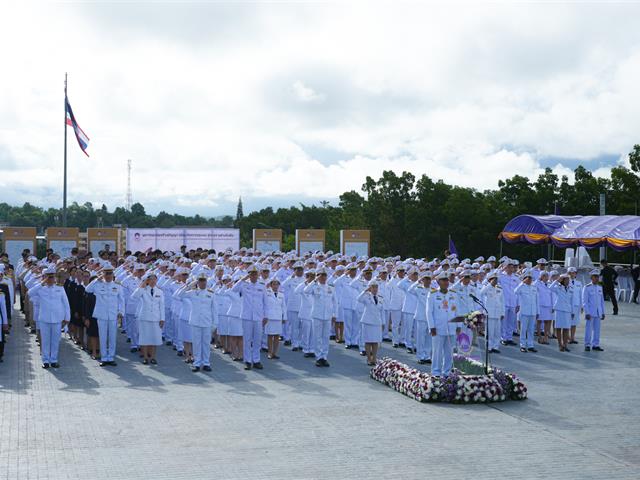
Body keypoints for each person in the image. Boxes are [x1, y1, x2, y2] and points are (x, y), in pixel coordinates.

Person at [29, 266, 71, 368]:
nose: (51, 279)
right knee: (45, 340)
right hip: (44, 319)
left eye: (52, 277)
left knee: (55, 340)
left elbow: (66, 304)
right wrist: (41, 283)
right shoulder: (40, 288)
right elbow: (30, 293)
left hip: (57, 319)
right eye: (49, 277)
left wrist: (67, 318)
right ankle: (45, 361)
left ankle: (54, 360)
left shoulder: (60, 288)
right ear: (45, 277)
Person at [85, 265, 125, 366]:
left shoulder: (117, 285)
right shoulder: (98, 284)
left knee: (112, 337)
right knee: (102, 337)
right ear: (103, 274)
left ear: (113, 274)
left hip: (113, 315)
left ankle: (111, 357)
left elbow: (121, 300)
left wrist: (121, 312)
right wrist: (96, 280)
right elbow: (87, 289)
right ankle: (104, 357)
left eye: (110, 274)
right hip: (101, 315)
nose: (108, 276)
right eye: (106, 274)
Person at [176, 272, 216, 371]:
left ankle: (206, 363)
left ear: (206, 282)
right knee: (196, 343)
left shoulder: (211, 293)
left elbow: (214, 310)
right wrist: (189, 285)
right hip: (195, 322)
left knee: (206, 344)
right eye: (200, 280)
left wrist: (215, 323)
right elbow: (179, 295)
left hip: (207, 322)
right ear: (197, 282)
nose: (202, 283)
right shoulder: (193, 292)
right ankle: (197, 363)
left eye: (204, 281)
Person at [231, 264, 268, 370]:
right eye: (252, 274)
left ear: (258, 275)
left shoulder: (262, 285)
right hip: (247, 316)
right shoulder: (244, 285)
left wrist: (266, 316)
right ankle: (247, 360)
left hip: (258, 317)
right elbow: (234, 289)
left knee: (257, 339)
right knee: (247, 339)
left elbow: (266, 302)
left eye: (255, 274)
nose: (254, 276)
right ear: (249, 275)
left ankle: (256, 360)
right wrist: (243, 279)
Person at [427, 272, 461, 377]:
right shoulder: (432, 294)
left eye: (447, 280)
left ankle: (447, 372)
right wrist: (431, 327)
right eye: (443, 280)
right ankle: (436, 372)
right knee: (437, 351)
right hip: (438, 327)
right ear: (438, 282)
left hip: (451, 327)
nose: (446, 282)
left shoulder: (453, 294)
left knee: (449, 352)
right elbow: (429, 312)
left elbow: (457, 311)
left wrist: (459, 325)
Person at [304, 267, 337, 367]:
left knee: (326, 338)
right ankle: (318, 357)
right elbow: (306, 290)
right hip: (317, 315)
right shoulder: (314, 286)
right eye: (321, 275)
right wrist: (314, 281)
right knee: (317, 337)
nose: (323, 277)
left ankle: (324, 357)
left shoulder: (330, 287)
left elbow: (335, 302)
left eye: (324, 275)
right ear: (318, 276)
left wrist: (335, 315)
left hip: (327, 315)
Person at [132, 273, 165, 365]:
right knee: (144, 338)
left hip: (156, 318)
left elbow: (162, 306)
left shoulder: (160, 291)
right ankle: (146, 357)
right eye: (151, 279)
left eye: (155, 279)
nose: (153, 281)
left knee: (155, 338)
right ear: (147, 280)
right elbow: (134, 296)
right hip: (144, 317)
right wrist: (143, 284)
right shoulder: (143, 289)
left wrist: (162, 318)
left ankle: (153, 357)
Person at [357, 279, 384, 366]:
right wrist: (365, 291)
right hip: (367, 321)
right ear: (370, 288)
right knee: (368, 341)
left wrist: (383, 323)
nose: (375, 289)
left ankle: (374, 358)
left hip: (376, 322)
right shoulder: (366, 296)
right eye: (373, 287)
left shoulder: (380, 298)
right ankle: (369, 358)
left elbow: (382, 311)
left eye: (376, 287)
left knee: (375, 341)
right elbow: (358, 299)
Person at [408, 271, 433, 364]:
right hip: (421, 316)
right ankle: (420, 356)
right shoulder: (418, 289)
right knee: (420, 337)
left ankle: (427, 355)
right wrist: (417, 282)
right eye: (425, 279)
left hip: (430, 318)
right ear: (423, 280)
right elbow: (409, 290)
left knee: (429, 338)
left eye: (429, 279)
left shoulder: (433, 290)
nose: (427, 281)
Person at [480, 270, 504, 353]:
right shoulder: (486, 287)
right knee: (489, 332)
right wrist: (490, 285)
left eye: (496, 279)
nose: (495, 281)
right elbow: (481, 293)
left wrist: (502, 313)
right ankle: (489, 347)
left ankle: (495, 347)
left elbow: (502, 301)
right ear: (489, 279)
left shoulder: (499, 288)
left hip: (498, 313)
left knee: (497, 332)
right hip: (489, 313)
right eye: (493, 279)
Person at [514, 269, 538, 353]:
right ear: (524, 279)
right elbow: (515, 291)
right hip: (525, 311)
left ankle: (531, 345)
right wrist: (522, 283)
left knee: (531, 329)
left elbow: (537, 300)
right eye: (527, 278)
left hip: (533, 311)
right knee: (523, 329)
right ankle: (523, 345)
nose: (529, 279)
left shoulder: (534, 287)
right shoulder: (521, 287)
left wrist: (537, 312)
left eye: (530, 278)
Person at [550, 273, 574, 352]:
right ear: (562, 280)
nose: (567, 281)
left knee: (566, 328)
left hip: (567, 310)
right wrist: (557, 280)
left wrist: (572, 311)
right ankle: (560, 344)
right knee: (559, 327)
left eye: (568, 279)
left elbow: (572, 301)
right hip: (559, 309)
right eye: (566, 279)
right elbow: (550, 288)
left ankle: (565, 345)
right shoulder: (558, 287)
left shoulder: (571, 288)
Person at [264, 278, 286, 360]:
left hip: (278, 317)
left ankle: (275, 353)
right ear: (271, 285)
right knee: (270, 336)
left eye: (277, 284)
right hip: (270, 317)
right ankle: (269, 352)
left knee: (277, 336)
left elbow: (284, 307)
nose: (275, 286)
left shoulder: (281, 294)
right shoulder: (267, 293)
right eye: (274, 284)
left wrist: (284, 317)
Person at [583, 270, 605, 352]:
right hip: (590, 312)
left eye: (597, 277)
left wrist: (603, 312)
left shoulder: (600, 287)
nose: (596, 278)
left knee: (597, 329)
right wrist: (587, 312)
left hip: (598, 312)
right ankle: (587, 344)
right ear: (591, 277)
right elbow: (584, 301)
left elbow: (602, 301)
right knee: (588, 329)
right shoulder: (587, 287)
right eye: (595, 276)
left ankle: (596, 344)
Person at [535, 271, 553, 345]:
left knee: (547, 322)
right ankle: (539, 337)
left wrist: (552, 306)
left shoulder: (549, 284)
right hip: (540, 305)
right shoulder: (537, 284)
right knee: (539, 321)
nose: (546, 277)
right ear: (541, 277)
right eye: (544, 276)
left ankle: (546, 337)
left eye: (547, 276)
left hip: (548, 305)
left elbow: (551, 296)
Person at [568, 267, 583, 344]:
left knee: (574, 322)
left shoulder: (579, 283)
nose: (572, 274)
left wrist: (581, 306)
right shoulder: (566, 282)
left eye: (574, 273)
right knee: (568, 322)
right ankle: (567, 337)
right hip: (568, 305)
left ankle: (572, 338)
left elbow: (580, 295)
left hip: (576, 305)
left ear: (576, 274)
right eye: (570, 273)